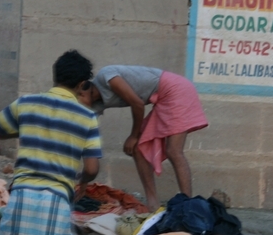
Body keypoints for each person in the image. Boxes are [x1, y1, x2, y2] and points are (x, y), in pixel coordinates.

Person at [0, 50, 102, 235]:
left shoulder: (26, 103)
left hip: (22, 195)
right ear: (83, 84)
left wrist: (23, 130)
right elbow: (92, 168)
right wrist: (83, 181)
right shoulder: (87, 117)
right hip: (56, 200)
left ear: (55, 76)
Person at [77, 65, 207, 211]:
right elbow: (87, 142)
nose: (79, 103)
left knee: (173, 151)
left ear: (85, 87)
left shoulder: (106, 76)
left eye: (79, 96)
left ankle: (187, 206)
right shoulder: (96, 106)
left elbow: (137, 103)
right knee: (138, 148)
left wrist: (134, 135)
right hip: (162, 99)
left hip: (176, 90)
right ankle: (153, 205)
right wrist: (82, 184)